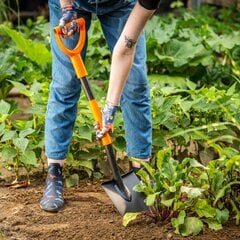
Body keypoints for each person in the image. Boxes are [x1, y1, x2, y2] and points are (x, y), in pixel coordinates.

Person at [40, 0, 160, 212]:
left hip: (123, 4)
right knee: (65, 81)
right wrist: (67, 8)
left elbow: (125, 51)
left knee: (135, 84)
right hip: (71, 3)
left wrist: (109, 108)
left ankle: (142, 174)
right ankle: (54, 173)